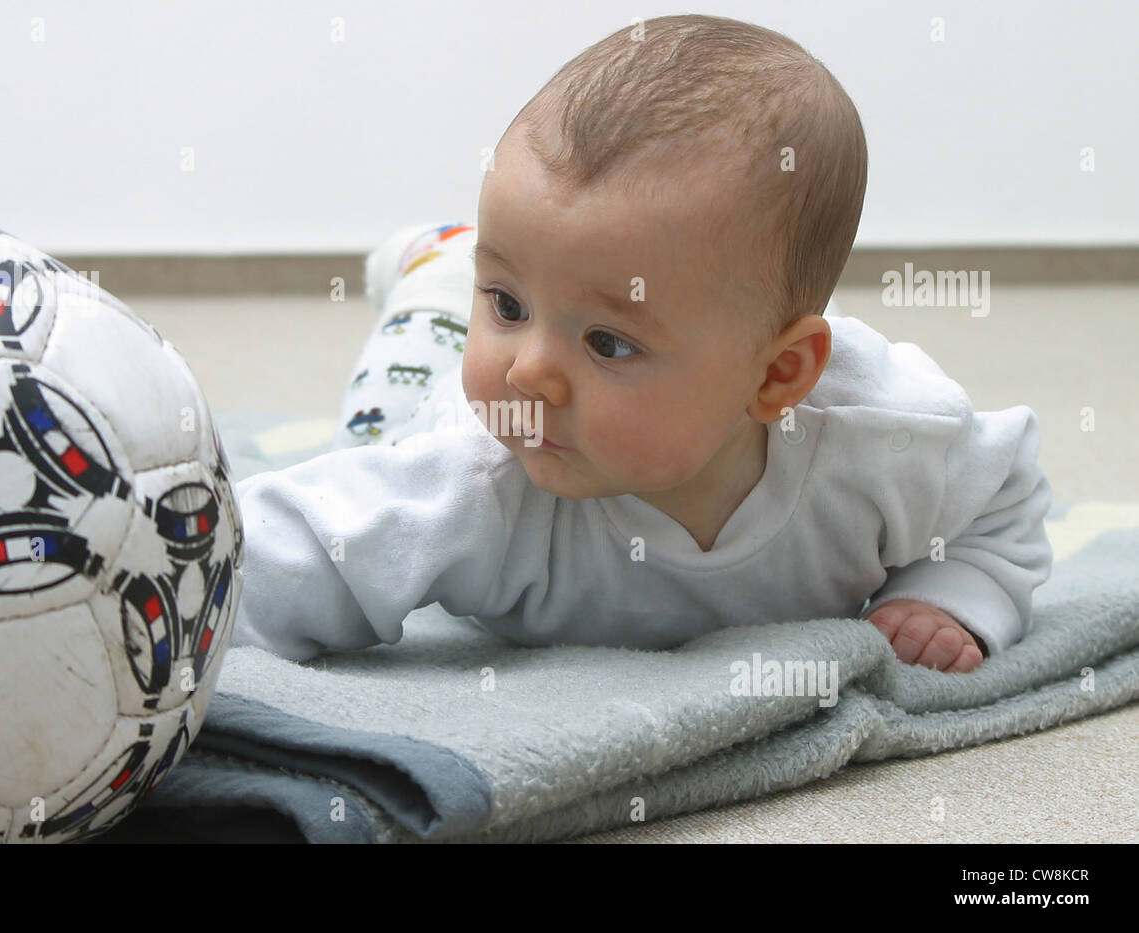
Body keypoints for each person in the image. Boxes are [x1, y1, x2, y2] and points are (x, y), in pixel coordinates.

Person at [232, 14, 1052, 674]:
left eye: (608, 343)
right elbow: (275, 556)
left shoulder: (889, 438)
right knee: (387, 404)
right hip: (426, 407)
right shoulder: (475, 472)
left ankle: (468, 273)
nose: (530, 373)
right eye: (508, 302)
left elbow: (1001, 502)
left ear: (778, 374)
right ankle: (441, 272)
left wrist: (953, 593)